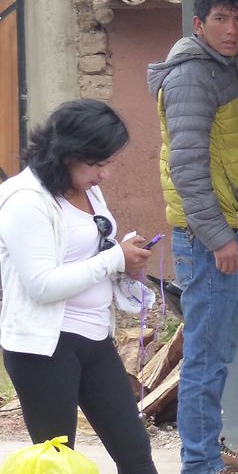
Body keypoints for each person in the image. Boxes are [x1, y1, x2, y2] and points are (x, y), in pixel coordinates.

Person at [0, 99, 158, 474]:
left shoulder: (86, 188)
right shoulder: (25, 201)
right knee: (58, 462)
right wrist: (114, 260)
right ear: (67, 153)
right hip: (44, 348)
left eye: (110, 163)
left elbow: (95, 253)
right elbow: (42, 285)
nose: (105, 175)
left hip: (93, 337)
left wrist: (124, 266)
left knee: (135, 451)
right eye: (98, 163)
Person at [148, 0, 238, 474]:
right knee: (205, 357)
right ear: (199, 24)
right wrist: (219, 237)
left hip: (224, 230)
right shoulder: (193, 77)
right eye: (220, 18)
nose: (232, 28)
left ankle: (208, 450)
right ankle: (199, 464)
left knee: (215, 352)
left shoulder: (217, 69)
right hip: (209, 237)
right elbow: (187, 165)